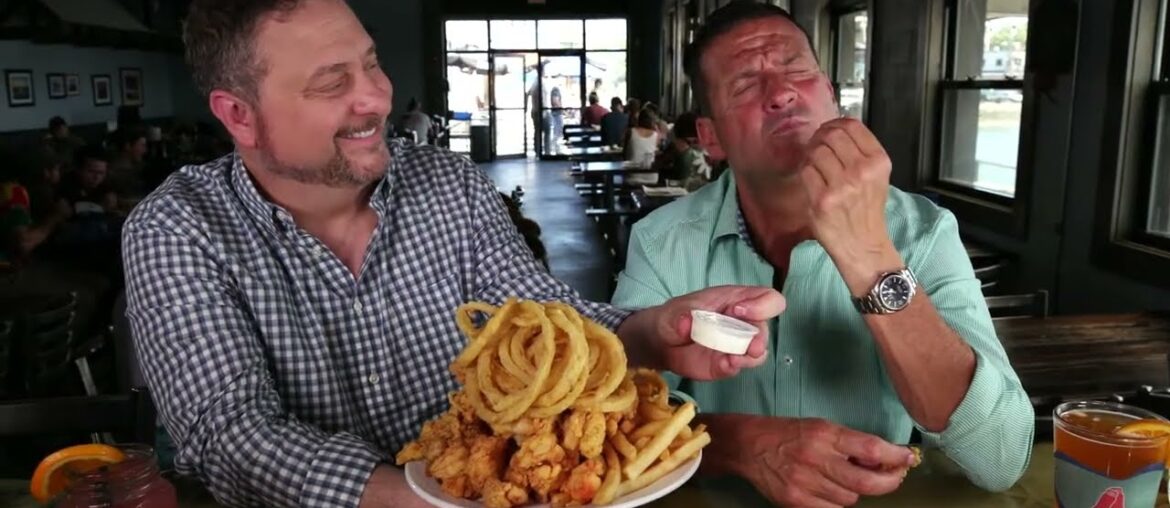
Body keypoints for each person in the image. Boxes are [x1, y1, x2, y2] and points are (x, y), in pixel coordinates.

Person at [122, 1, 785, 507]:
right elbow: (230, 434)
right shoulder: (179, 229)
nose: (376, 97)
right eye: (331, 83)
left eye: (371, 63)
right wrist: (428, 500)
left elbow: (541, 317)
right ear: (238, 115)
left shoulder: (446, 183)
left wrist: (656, 331)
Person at [612, 3, 1034, 506]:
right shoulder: (661, 240)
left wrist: (871, 255)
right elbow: (613, 419)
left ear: (831, 96)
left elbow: (1001, 456)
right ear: (711, 137)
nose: (781, 93)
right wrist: (738, 444)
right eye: (745, 85)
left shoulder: (923, 232)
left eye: (796, 70)